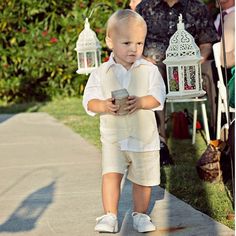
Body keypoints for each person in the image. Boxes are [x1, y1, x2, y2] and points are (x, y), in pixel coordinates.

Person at [82, 9, 166, 233]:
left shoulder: (149, 70)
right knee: (111, 174)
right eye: (127, 43)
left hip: (143, 138)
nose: (133, 49)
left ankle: (140, 214)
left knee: (143, 179)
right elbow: (88, 100)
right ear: (110, 41)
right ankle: (110, 215)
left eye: (139, 43)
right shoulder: (101, 72)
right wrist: (103, 105)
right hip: (114, 138)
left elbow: (158, 97)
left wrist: (140, 102)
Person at [136, 0, 219, 142]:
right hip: (156, 64)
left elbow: (206, 42)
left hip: (191, 64)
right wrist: (143, 58)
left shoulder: (197, 7)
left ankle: (219, 134)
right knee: (154, 71)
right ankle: (159, 141)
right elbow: (134, 41)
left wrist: (200, 58)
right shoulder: (144, 8)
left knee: (211, 68)